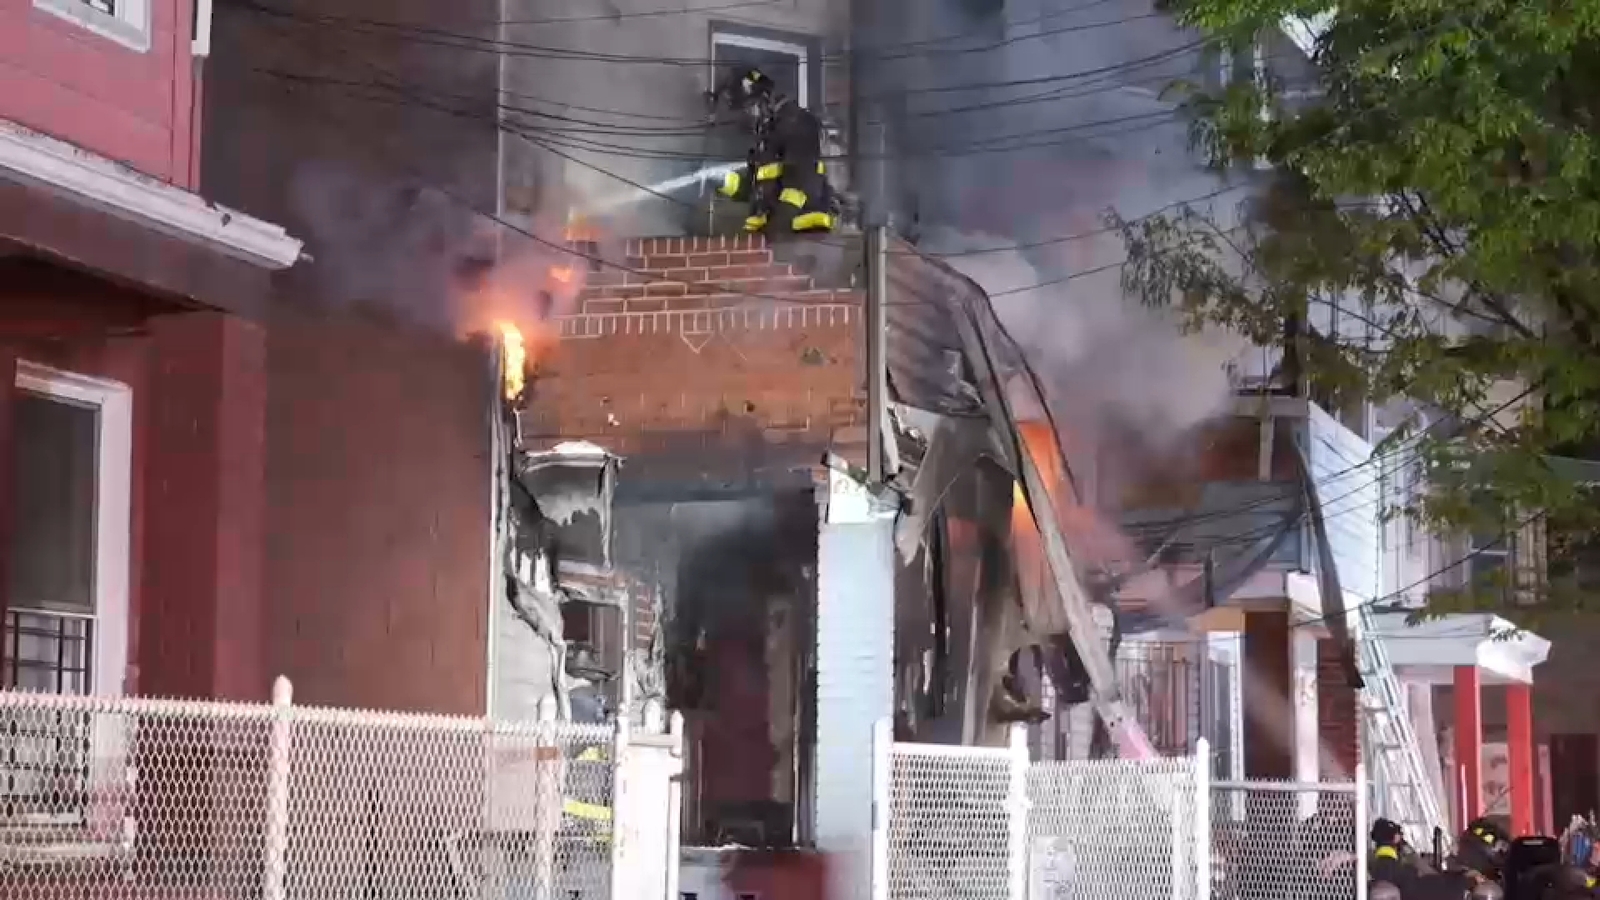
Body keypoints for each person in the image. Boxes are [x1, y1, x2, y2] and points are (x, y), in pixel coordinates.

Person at [708, 66, 837, 235]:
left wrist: (776, 227)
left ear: (765, 99)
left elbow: (800, 183)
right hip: (779, 232)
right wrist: (721, 180)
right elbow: (756, 188)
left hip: (803, 231)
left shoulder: (797, 123)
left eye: (750, 108)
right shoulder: (770, 135)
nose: (748, 115)